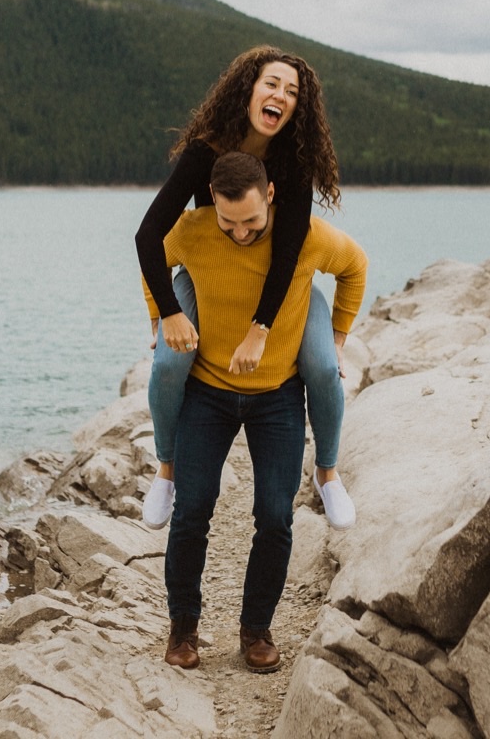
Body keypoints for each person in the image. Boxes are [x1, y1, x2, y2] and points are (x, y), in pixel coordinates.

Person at [145, 152, 367, 672]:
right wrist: (161, 319)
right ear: (213, 206)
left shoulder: (306, 236)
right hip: (208, 392)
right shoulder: (194, 230)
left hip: (278, 397)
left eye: (250, 221)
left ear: (269, 195)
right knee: (193, 508)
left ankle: (255, 630)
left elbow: (355, 267)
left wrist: (335, 340)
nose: (240, 233)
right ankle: (183, 629)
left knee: (274, 515)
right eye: (229, 222)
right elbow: (151, 258)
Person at [134, 45, 353, 532]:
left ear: (299, 107)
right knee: (169, 362)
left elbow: (289, 253)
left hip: (284, 281)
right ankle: (166, 470)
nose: (281, 95)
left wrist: (263, 330)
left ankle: (328, 473)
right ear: (249, 90)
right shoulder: (205, 151)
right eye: (272, 84)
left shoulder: (293, 163)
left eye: (292, 92)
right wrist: (165, 312)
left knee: (320, 367)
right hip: (209, 279)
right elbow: (151, 238)